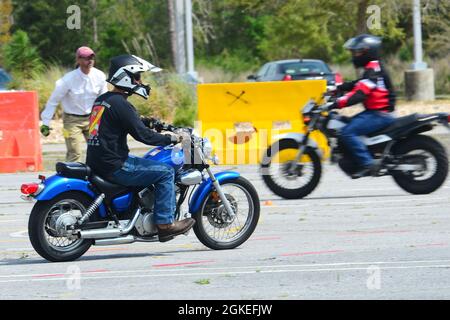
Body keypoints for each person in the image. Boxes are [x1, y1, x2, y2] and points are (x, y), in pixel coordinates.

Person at [85, 54, 195, 242]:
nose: (141, 82)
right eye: (138, 77)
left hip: (98, 162)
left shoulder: (104, 100)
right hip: (116, 165)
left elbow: (123, 121)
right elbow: (144, 136)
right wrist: (172, 138)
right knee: (166, 172)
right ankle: (165, 224)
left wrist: (148, 121)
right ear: (126, 77)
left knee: (150, 166)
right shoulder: (121, 104)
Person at [330, 34, 396, 179]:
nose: (354, 55)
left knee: (347, 132)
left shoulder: (373, 70)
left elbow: (360, 93)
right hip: (374, 113)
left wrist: (337, 103)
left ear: (368, 52)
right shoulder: (372, 68)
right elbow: (358, 84)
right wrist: (338, 88)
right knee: (345, 124)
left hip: (379, 114)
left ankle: (367, 164)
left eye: (358, 52)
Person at [40, 46, 108, 162]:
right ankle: (70, 178)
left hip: (93, 118)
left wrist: (108, 119)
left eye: (92, 57)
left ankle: (97, 177)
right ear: (78, 60)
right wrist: (45, 122)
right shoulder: (67, 80)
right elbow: (53, 101)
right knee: (74, 153)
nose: (90, 61)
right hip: (71, 121)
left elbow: (104, 99)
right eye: (86, 58)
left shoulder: (100, 76)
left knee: (99, 150)